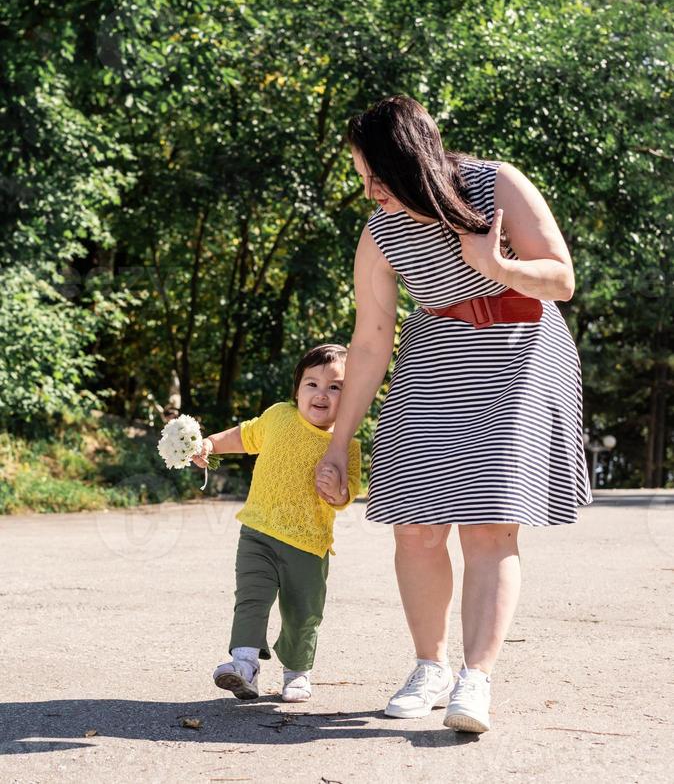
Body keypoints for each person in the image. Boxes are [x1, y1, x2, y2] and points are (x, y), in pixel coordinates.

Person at [315, 95, 592, 733]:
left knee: (489, 528)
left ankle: (477, 678)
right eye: (363, 177)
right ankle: (429, 665)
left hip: (521, 357)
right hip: (433, 361)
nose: (369, 191)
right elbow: (369, 341)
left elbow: (562, 279)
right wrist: (339, 444)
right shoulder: (377, 234)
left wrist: (497, 266)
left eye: (375, 175)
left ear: (411, 159)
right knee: (413, 525)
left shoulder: (496, 184)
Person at [193, 343, 361, 703]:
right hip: (258, 533)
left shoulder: (345, 444)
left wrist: (337, 492)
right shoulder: (279, 417)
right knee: (251, 599)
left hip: (308, 546)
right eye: (311, 383)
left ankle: (297, 671)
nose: (321, 393)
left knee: (303, 614)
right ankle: (243, 665)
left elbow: (348, 494)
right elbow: (244, 435)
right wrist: (209, 444)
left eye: (336, 387)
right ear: (297, 389)